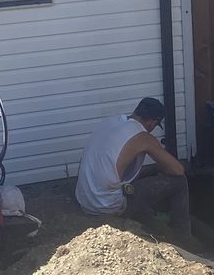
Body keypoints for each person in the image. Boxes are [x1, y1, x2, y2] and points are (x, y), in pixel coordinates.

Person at [75, 97, 191, 239]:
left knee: (143, 174)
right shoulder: (143, 137)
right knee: (179, 181)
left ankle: (147, 214)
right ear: (153, 122)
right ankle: (183, 235)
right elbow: (178, 170)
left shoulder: (111, 121)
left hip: (85, 201)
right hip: (106, 206)